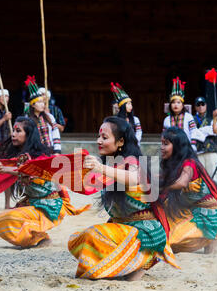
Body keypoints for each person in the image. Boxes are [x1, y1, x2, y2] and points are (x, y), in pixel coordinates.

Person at [68, 116, 179, 281]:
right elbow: (86, 185)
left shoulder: (131, 161)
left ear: (120, 142)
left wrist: (100, 168)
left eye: (104, 137)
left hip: (144, 233)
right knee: (77, 239)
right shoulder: (111, 165)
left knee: (92, 235)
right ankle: (131, 266)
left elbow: (133, 178)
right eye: (98, 137)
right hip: (124, 227)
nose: (99, 141)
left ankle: (141, 260)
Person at [0, 116, 90, 248]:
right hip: (33, 203)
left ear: (28, 135)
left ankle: (41, 237)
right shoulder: (21, 157)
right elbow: (0, 166)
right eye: (13, 130)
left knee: (8, 219)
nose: (13, 134)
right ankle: (35, 239)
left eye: (18, 131)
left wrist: (6, 169)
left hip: (47, 205)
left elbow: (31, 172)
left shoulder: (40, 157)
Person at [160, 127, 217, 254]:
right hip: (189, 208)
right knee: (168, 242)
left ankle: (211, 237)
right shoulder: (172, 164)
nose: (161, 147)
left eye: (165, 144)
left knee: (174, 242)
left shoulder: (189, 163)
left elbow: (182, 183)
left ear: (177, 146)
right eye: (161, 143)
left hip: (206, 211)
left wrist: (160, 185)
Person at [24, 76, 61, 154]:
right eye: (39, 102)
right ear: (33, 105)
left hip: (49, 151)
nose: (42, 104)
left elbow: (55, 133)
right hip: (34, 153)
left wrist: (57, 150)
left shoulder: (49, 117)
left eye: (43, 102)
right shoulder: (27, 119)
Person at [163, 77, 200, 151]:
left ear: (182, 105)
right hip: (172, 150)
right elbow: (164, 135)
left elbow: (193, 131)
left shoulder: (188, 117)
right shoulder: (166, 120)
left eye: (178, 102)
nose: (175, 105)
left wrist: (193, 144)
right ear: (170, 105)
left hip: (186, 148)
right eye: (173, 102)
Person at [193, 96, 217, 180]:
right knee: (200, 178)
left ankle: (214, 193)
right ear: (195, 107)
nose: (201, 107)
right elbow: (192, 133)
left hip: (211, 150)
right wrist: (205, 130)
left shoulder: (212, 117)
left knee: (213, 177)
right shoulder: (192, 119)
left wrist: (198, 131)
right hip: (198, 151)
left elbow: (214, 131)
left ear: (206, 105)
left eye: (202, 104)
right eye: (198, 105)